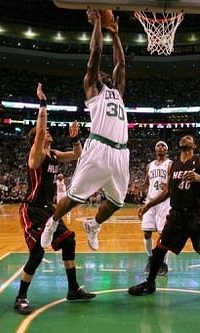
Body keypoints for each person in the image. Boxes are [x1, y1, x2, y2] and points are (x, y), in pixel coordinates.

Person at [40, 9, 128, 251]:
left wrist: (115, 34)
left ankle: (94, 224)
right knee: (73, 198)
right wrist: (98, 23)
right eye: (99, 72)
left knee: (117, 202)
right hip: (98, 147)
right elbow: (96, 52)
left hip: (121, 153)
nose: (103, 73)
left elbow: (121, 63)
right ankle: (53, 221)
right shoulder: (92, 88)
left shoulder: (117, 93)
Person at [14, 84, 95, 315]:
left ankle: (73, 289)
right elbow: (40, 131)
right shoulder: (36, 154)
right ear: (37, 139)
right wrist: (42, 103)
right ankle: (20, 296)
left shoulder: (54, 154)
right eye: (45, 132)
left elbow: (77, 155)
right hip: (31, 209)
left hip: (49, 209)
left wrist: (76, 138)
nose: (48, 132)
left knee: (68, 241)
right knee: (37, 252)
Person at [128, 135, 200, 303]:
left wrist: (198, 178)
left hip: (197, 215)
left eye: (188, 138)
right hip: (177, 215)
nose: (184, 139)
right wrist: (148, 205)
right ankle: (150, 284)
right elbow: (167, 190)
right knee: (159, 250)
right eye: (182, 137)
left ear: (194, 145)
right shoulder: (173, 166)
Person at [141, 141, 171, 275]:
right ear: (155, 149)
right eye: (158, 145)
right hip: (150, 201)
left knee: (163, 235)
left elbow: (169, 187)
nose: (161, 147)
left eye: (163, 146)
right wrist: (139, 187)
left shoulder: (170, 164)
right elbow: (147, 183)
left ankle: (163, 262)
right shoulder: (149, 165)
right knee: (146, 232)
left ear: (166, 150)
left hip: (164, 202)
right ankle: (151, 257)